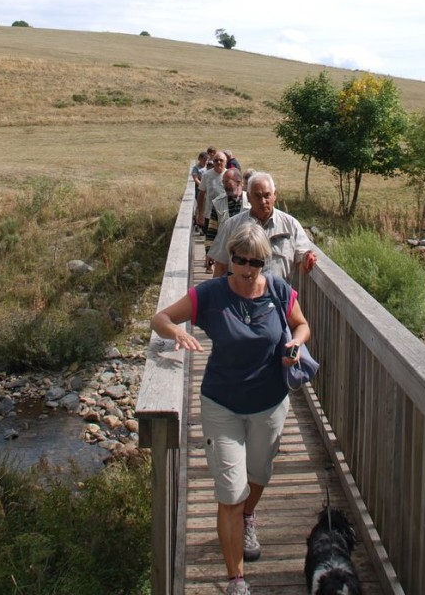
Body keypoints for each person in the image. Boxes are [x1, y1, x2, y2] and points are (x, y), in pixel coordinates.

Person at [151, 222, 311, 595]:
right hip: (221, 404)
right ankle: (236, 580)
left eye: (255, 262)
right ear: (231, 257)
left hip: (269, 403)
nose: (247, 269)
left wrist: (296, 344)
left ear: (264, 262)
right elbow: (160, 319)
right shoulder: (211, 294)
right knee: (230, 493)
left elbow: (301, 324)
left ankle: (249, 515)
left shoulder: (278, 291)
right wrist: (178, 333)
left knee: (259, 473)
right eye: (240, 260)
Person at [211, 172, 317, 279]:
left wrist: (306, 261)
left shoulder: (291, 226)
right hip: (240, 289)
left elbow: (302, 264)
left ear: (275, 195)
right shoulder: (232, 225)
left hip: (277, 289)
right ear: (248, 197)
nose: (263, 201)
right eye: (257, 196)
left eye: (267, 195)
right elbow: (220, 266)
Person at [204, 167, 250, 271]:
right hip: (224, 255)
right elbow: (212, 230)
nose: (224, 185)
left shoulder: (251, 201)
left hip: (247, 255)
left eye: (227, 182)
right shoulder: (217, 203)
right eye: (223, 182)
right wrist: (209, 252)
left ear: (238, 182)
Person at [197, 150, 227, 235]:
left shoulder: (229, 175)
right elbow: (201, 194)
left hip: (226, 215)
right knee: (209, 240)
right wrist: (200, 213)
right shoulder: (206, 175)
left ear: (225, 162)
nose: (218, 162)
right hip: (209, 214)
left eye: (221, 160)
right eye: (216, 160)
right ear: (213, 162)